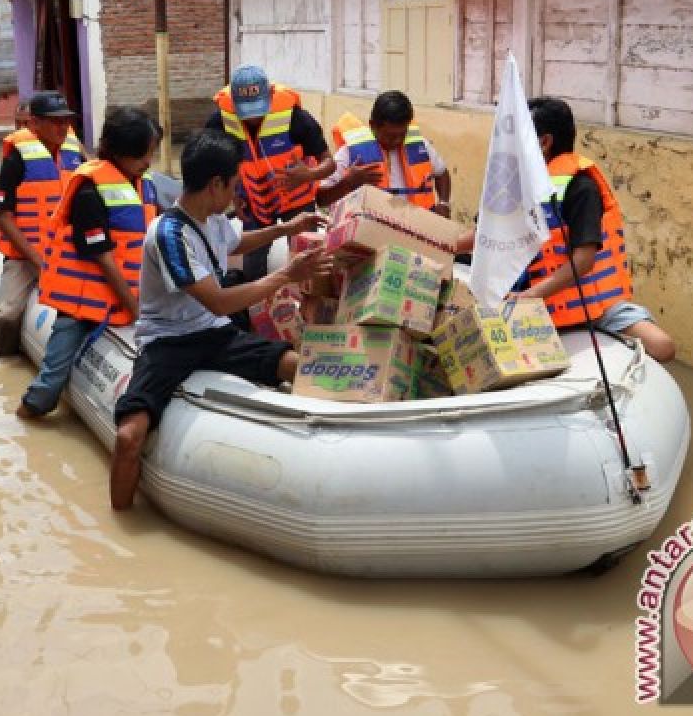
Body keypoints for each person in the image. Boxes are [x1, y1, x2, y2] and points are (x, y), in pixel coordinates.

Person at [109, 130, 331, 510]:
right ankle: (121, 529)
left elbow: (234, 243)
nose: (237, 194)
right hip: (168, 342)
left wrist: (287, 228)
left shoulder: (211, 218)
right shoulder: (170, 234)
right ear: (215, 185)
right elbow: (218, 303)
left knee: (298, 365)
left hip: (214, 335)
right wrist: (285, 276)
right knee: (130, 437)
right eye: (234, 185)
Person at [457, 97, 675, 363]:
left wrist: (529, 297)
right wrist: (444, 244)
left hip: (592, 303)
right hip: (534, 298)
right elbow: (486, 235)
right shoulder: (514, 183)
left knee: (662, 346)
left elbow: (584, 261)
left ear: (544, 142)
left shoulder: (580, 187)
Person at [15, 107, 158, 419]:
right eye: (144, 155)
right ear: (121, 152)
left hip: (126, 299)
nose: (149, 162)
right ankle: (29, 408)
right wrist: (134, 308)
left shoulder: (143, 184)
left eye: (152, 153)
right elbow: (103, 257)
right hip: (82, 308)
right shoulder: (89, 191)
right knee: (51, 382)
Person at [207, 65, 334, 282]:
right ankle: (253, 310)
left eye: (258, 109)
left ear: (271, 95)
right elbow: (215, 164)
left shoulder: (297, 118)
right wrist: (234, 196)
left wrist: (309, 175)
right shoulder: (220, 121)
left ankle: (306, 307)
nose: (253, 118)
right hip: (254, 202)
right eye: (246, 111)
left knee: (307, 259)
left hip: (297, 201)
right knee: (252, 263)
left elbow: (329, 162)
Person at [0, 92, 86, 356]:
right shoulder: (16, 160)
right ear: (34, 124)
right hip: (25, 257)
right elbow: (4, 218)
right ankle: (4, 361)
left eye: (66, 121)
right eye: (55, 121)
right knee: (8, 316)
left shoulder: (76, 156)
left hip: (65, 254)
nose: (62, 127)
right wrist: (38, 262)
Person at [320, 90, 452, 216]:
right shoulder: (350, 153)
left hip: (415, 230)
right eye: (390, 136)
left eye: (403, 134)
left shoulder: (420, 146)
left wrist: (444, 203)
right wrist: (348, 182)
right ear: (372, 125)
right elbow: (321, 199)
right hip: (370, 232)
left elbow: (442, 173)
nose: (397, 141)